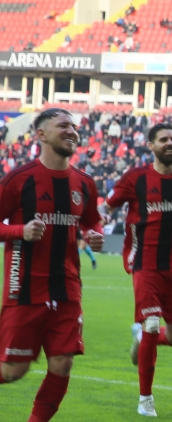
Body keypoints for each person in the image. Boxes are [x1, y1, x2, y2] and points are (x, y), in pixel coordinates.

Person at [0, 108, 104, 421]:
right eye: (63, 126)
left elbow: (92, 220)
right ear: (42, 134)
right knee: (13, 370)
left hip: (67, 287)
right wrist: (20, 231)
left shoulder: (84, 183)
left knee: (62, 363)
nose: (72, 131)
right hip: (25, 287)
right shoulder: (19, 179)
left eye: (74, 126)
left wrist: (94, 233)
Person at [100, 122, 172, 417]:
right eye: (163, 139)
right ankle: (145, 398)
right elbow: (107, 206)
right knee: (150, 323)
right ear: (151, 145)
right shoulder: (135, 177)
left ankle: (140, 339)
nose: (170, 143)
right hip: (145, 263)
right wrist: (99, 219)